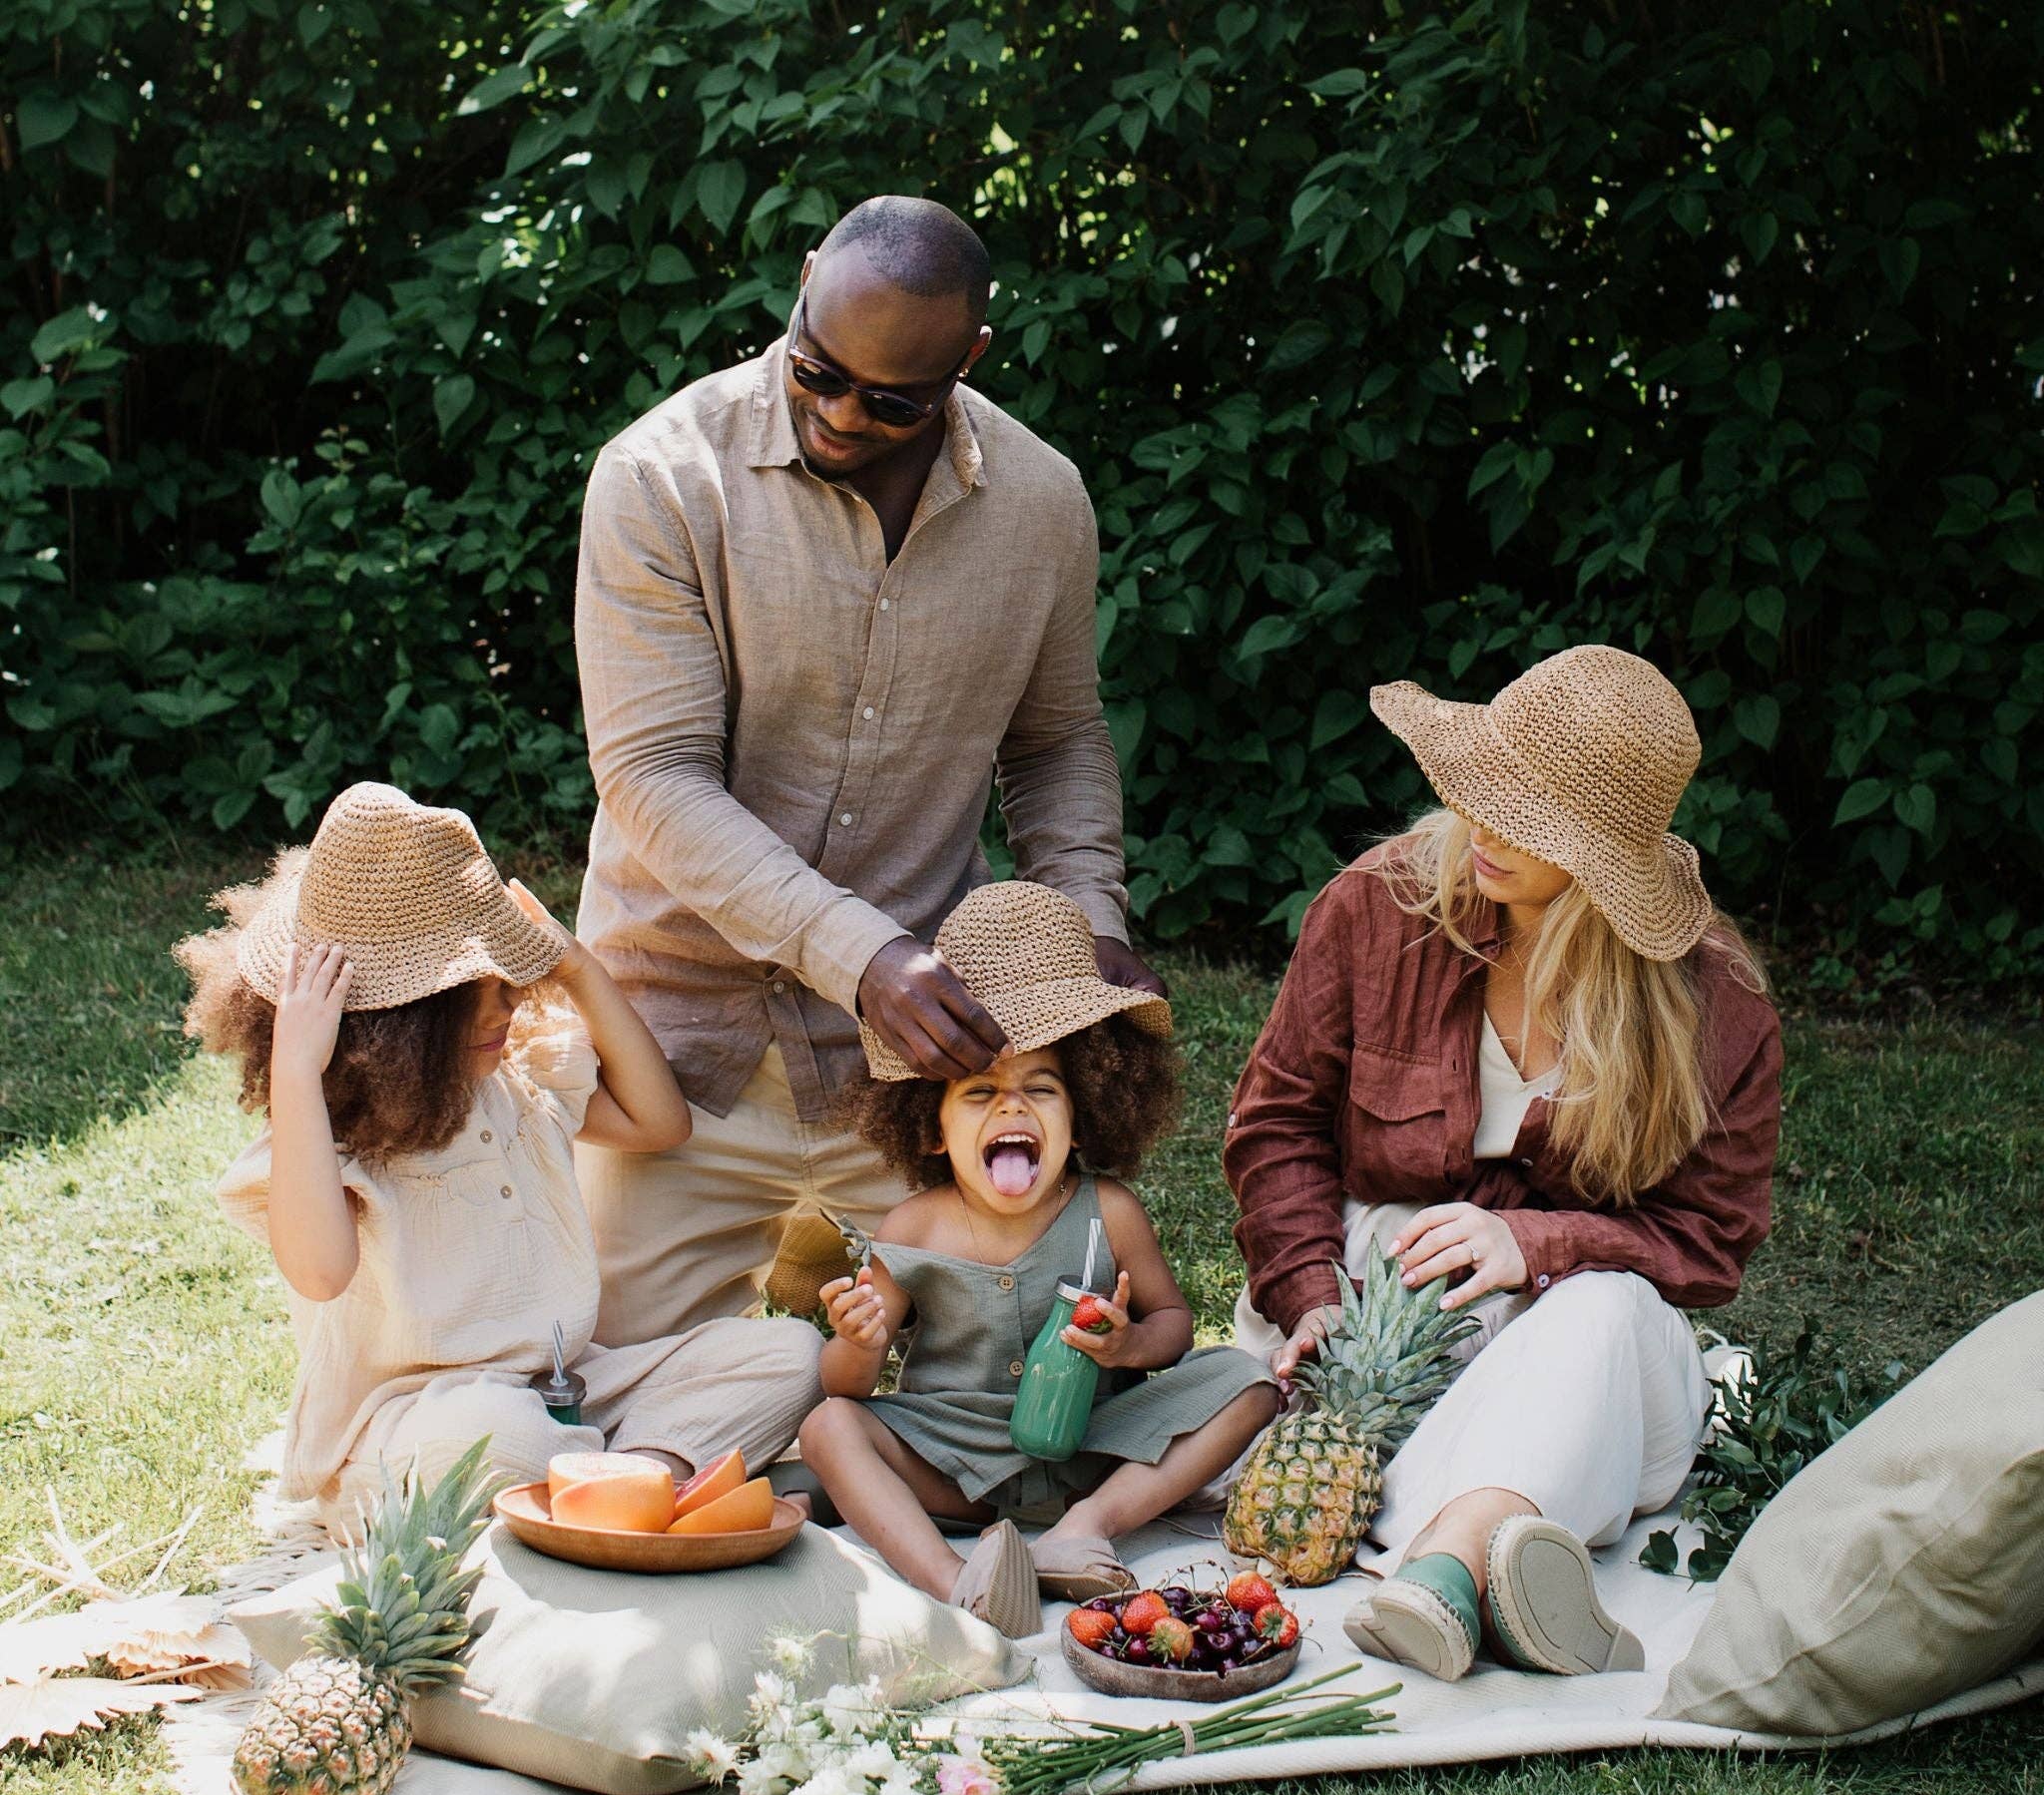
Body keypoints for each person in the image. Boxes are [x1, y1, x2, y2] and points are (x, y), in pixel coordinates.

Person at [573, 194, 1162, 1346]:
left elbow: (1056, 743)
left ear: (971, 359)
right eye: (815, 370)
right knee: (596, 1394)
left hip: (920, 1071)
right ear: (801, 284)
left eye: (893, 401)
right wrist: (864, 953)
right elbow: (652, 776)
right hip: (674, 1048)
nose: (840, 414)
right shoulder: (659, 476)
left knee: (996, 1400)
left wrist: (1087, 917)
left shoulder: (1042, 504)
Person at [1225, 647, 1782, 1681]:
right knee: (1406, 1345)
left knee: (1602, 1316)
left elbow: (1705, 1244)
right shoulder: (1375, 906)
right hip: (1377, 1299)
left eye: (1524, 816)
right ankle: (1480, 1568)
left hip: (1585, 1334)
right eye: (1477, 789)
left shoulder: (1713, 1006)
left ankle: (1437, 1560)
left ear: (1604, 853)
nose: (1480, 827)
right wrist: (1306, 1293)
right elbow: (1277, 1125)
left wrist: (1535, 1242)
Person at [177, 783, 823, 1535]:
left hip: (568, 1390)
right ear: (399, 1021)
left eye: (508, 979)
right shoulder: (327, 1137)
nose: (508, 1005)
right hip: (415, 1429)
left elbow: (660, 1121)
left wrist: (576, 967)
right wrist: (295, 1073)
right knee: (498, 1436)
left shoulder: (518, 1077)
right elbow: (319, 1271)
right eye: (473, 993)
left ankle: (628, 1487)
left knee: (789, 1354)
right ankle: (633, 1485)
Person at [796, 883, 1278, 1638]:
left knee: (1247, 1381)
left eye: (1041, 1089)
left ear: (1084, 1112)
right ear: (930, 1127)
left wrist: (1129, 1344)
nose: (1011, 1109)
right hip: (956, 1462)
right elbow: (846, 1387)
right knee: (829, 1428)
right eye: (979, 1093)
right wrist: (859, 1344)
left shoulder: (1108, 1211)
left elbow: (1176, 1325)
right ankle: (959, 1582)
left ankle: (1087, 1528)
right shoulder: (913, 1227)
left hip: (1092, 1444)